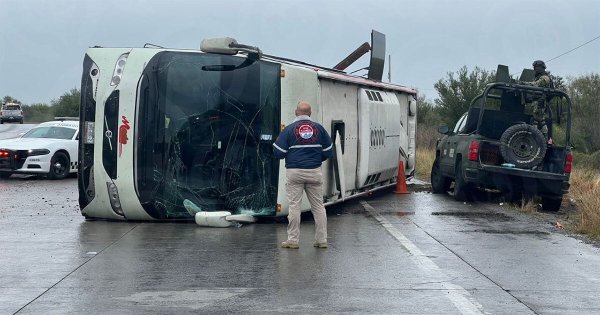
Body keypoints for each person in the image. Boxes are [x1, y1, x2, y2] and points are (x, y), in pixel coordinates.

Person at [273, 101, 333, 249]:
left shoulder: (289, 130)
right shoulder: (319, 129)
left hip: (294, 172)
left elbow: (278, 153)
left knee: (294, 206)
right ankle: (321, 240)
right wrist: (316, 160)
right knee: (318, 207)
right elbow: (329, 151)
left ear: (296, 112)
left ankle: (293, 241)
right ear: (310, 113)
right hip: (314, 171)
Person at [521, 60, 555, 144]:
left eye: (536, 67)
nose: (535, 69)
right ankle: (543, 138)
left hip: (540, 102)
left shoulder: (545, 78)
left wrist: (523, 83)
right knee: (539, 120)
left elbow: (536, 84)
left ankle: (538, 138)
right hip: (537, 102)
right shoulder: (539, 77)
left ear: (541, 68)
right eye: (534, 67)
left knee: (537, 120)